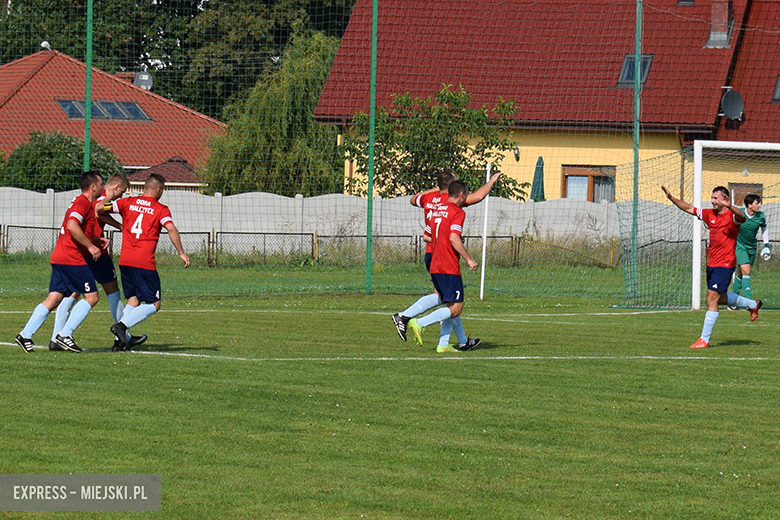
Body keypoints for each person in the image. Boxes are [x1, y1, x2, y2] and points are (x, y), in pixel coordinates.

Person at [391, 169, 501, 342]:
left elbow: (413, 201)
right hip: (445, 256)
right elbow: (479, 196)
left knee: (446, 299)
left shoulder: (430, 201)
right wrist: (492, 180)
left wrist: (434, 190)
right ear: (456, 189)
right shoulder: (453, 206)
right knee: (451, 303)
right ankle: (408, 318)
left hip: (431, 254)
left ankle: (455, 342)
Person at [48, 173, 148, 352]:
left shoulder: (92, 195)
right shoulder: (105, 195)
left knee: (73, 293)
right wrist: (121, 226)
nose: (121, 195)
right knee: (112, 291)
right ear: (116, 187)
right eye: (122, 191)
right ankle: (123, 335)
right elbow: (99, 211)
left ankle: (57, 337)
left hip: (80, 250)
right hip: (95, 251)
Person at [15, 171, 107, 353]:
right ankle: (65, 335)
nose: (103, 188)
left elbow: (79, 228)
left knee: (54, 298)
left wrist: (96, 240)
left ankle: (25, 334)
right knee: (92, 297)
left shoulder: (81, 203)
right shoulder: (82, 203)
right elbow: (72, 225)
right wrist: (90, 247)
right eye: (101, 184)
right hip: (72, 258)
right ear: (93, 187)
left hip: (60, 256)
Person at [661, 185, 762, 349]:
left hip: (726, 263)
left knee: (710, 298)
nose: (712, 201)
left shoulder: (732, 216)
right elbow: (689, 208)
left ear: (725, 199)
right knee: (718, 298)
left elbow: (742, 216)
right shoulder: (709, 214)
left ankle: (704, 340)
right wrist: (671, 198)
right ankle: (752, 305)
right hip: (712, 263)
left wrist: (730, 206)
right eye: (712, 198)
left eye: (716, 198)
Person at [98, 173, 191, 350]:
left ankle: (120, 342)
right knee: (154, 304)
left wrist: (118, 220)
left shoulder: (127, 203)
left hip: (125, 260)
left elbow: (100, 210)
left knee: (133, 300)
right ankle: (121, 327)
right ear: (158, 190)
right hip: (144, 262)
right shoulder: (160, 209)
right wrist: (181, 252)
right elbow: (170, 228)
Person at [407, 180, 481, 352]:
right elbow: (453, 238)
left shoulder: (435, 210)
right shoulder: (458, 212)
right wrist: (469, 259)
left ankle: (444, 344)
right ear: (462, 194)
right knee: (456, 308)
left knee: (450, 304)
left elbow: (428, 236)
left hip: (435, 263)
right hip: (448, 265)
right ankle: (419, 323)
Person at [729, 193, 770, 305]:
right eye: (757, 203)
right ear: (749, 205)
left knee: (740, 274)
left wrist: (766, 245)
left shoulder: (760, 216)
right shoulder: (740, 213)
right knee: (747, 270)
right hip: (739, 246)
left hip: (752, 247)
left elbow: (764, 228)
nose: (760, 205)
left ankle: (733, 303)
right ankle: (749, 303)